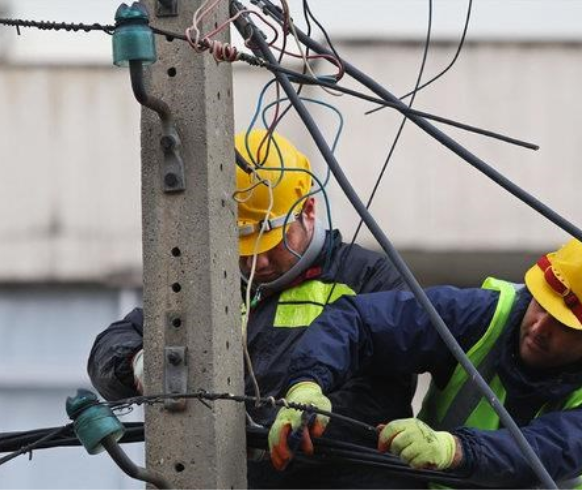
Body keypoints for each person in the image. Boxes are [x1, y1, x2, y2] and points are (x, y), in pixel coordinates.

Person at [87, 129, 419, 490]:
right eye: (243, 244)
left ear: (308, 209)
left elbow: (379, 396)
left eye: (270, 241)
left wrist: (272, 428)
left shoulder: (369, 280)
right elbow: (114, 343)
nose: (256, 261)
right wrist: (140, 364)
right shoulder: (211, 287)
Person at [268, 231, 582, 490]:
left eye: (563, 324)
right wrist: (307, 385)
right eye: (540, 303)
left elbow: (542, 452)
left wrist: (453, 449)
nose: (538, 326)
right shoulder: (484, 314)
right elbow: (361, 322)